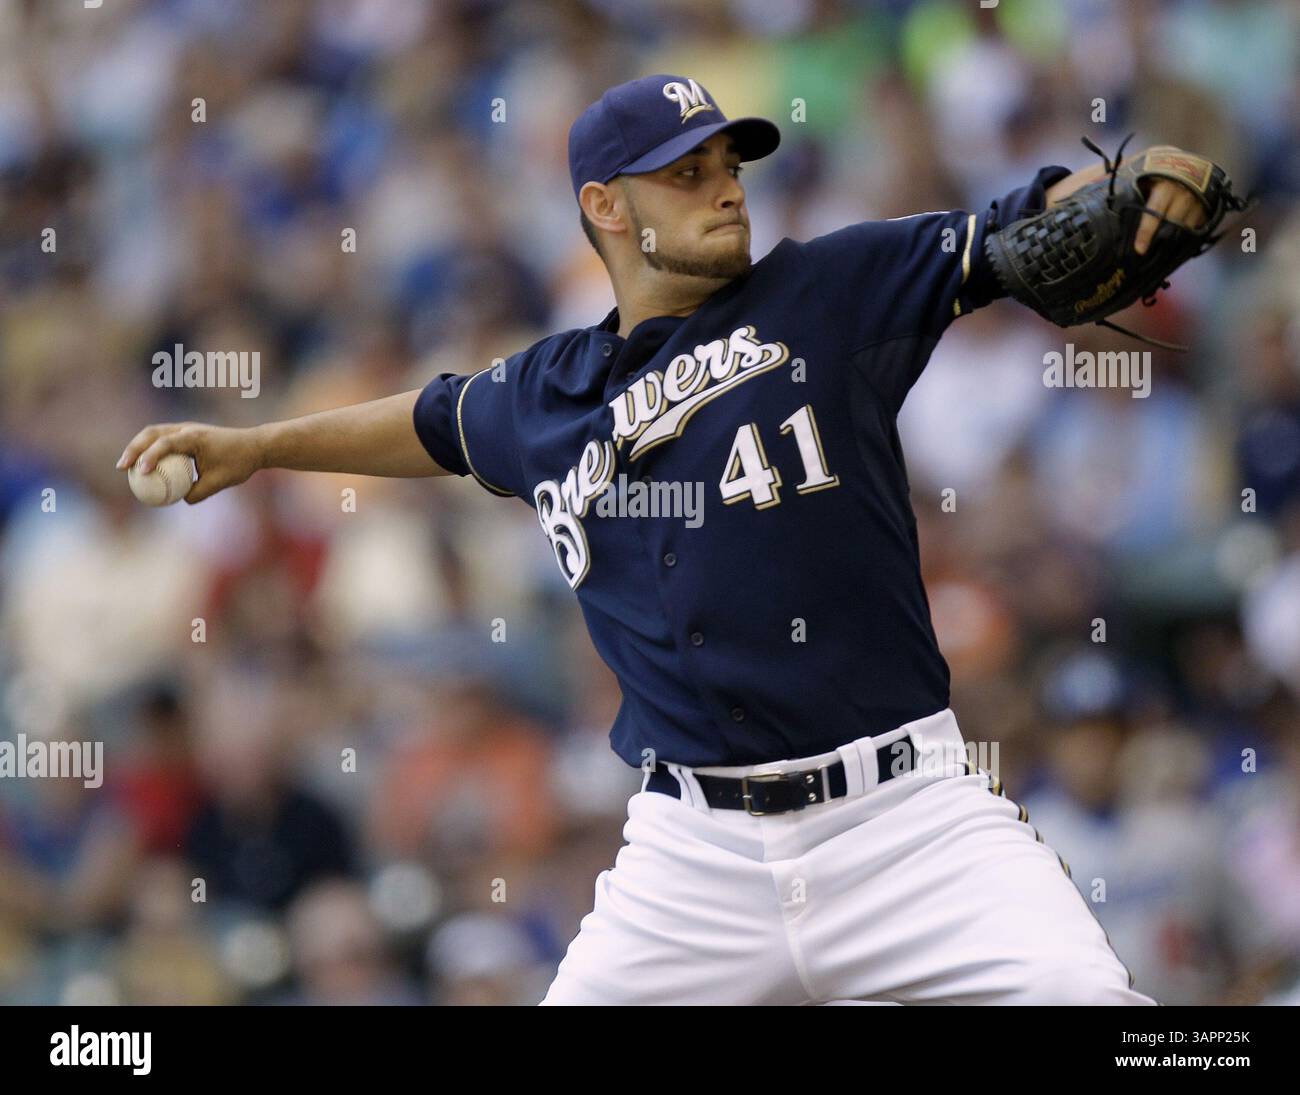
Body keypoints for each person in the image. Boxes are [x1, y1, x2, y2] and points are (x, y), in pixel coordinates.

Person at [117, 75, 1211, 1005]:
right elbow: (429, 422)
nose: (723, 186)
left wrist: (1145, 176)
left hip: (906, 820)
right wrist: (259, 448)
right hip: (694, 857)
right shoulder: (544, 397)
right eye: (684, 174)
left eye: (728, 164)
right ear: (604, 206)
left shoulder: (828, 290)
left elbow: (1009, 230)